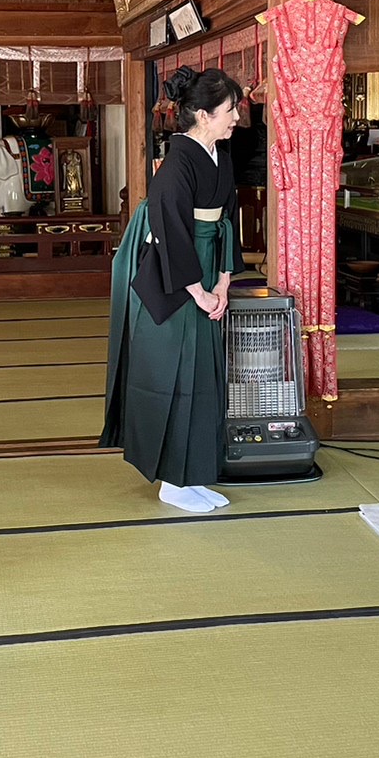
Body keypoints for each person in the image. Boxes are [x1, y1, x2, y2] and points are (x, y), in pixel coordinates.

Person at [101, 66, 243, 513]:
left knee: (204, 377)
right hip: (173, 281)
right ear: (203, 115)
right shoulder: (177, 164)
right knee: (174, 378)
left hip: (207, 268)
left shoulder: (219, 157)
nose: (236, 118)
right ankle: (171, 482)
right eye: (230, 110)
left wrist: (224, 280)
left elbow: (227, 219)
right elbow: (171, 232)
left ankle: (193, 476)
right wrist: (198, 291)